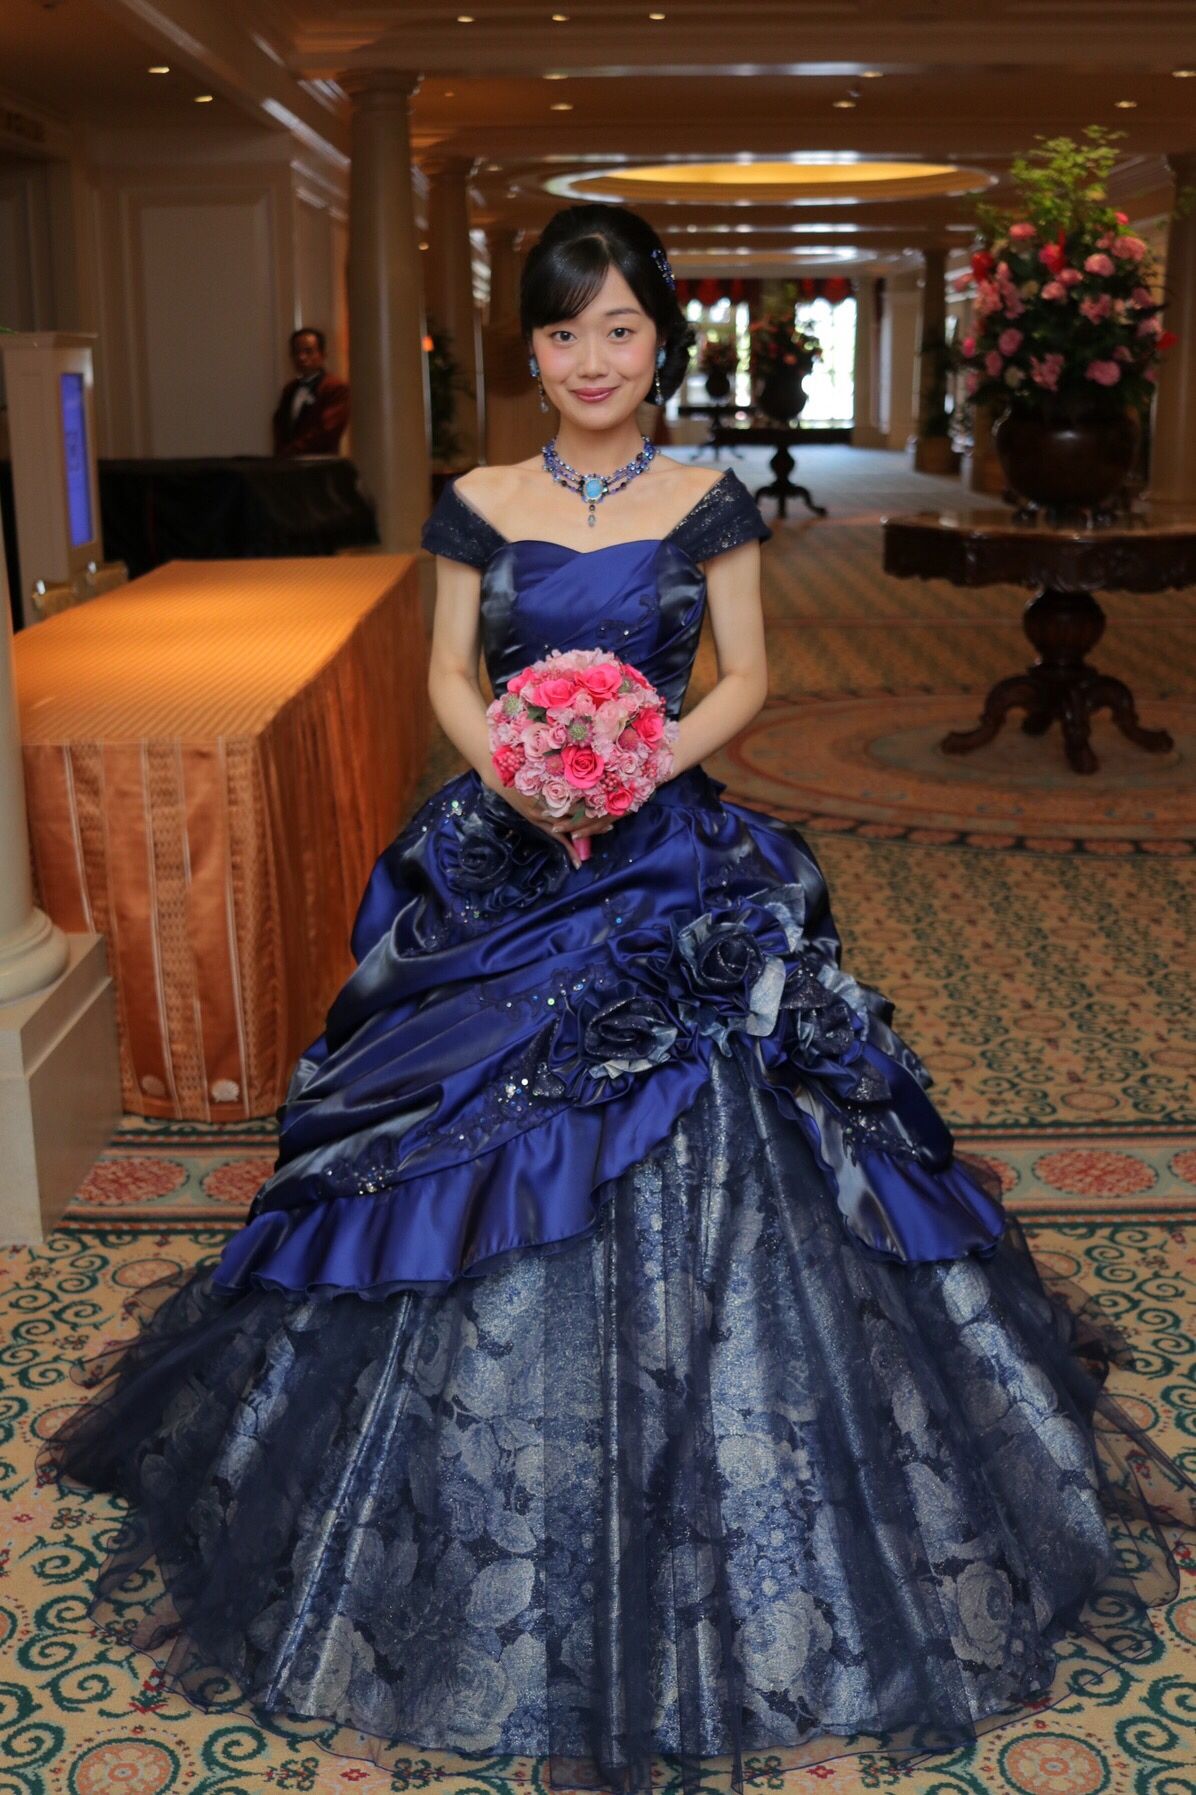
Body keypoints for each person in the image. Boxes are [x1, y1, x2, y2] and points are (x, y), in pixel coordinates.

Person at [37, 203, 1194, 1793]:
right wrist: (519, 771)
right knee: (436, 1119)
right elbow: (449, 671)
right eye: (565, 332)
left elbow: (748, 675)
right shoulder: (477, 500)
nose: (594, 358)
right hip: (508, 841)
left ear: (661, 342)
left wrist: (636, 761)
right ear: (534, 350)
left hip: (664, 843)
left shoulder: (706, 499)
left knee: (749, 1105)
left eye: (622, 329)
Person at [271, 326, 349, 455]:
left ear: (322, 355)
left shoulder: (334, 387)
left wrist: (292, 450)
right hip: (288, 463)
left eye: (308, 351)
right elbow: (280, 426)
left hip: (320, 462)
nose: (301, 357)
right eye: (296, 352)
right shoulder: (289, 389)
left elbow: (327, 430)